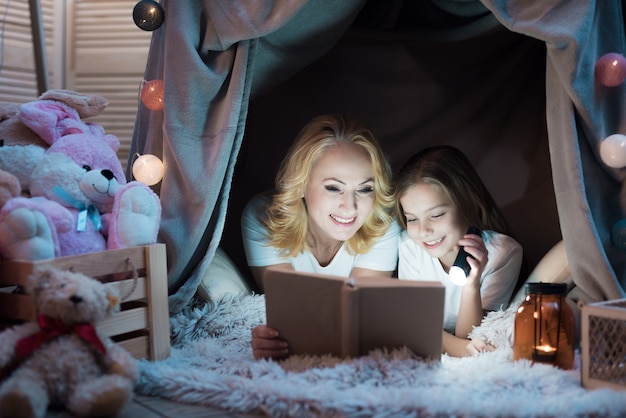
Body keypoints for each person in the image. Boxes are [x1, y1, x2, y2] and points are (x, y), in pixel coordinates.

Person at [242, 114, 400, 359]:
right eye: (334, 188)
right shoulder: (264, 218)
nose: (350, 207)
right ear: (301, 184)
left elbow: (360, 318)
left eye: (365, 189)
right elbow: (293, 317)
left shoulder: (382, 224)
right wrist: (272, 340)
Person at [395, 145, 524, 357]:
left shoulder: (503, 253)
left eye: (436, 215)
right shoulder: (409, 247)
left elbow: (474, 337)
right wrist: (459, 347)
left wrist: (471, 285)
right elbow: (415, 328)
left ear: (469, 204)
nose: (424, 231)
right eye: (412, 219)